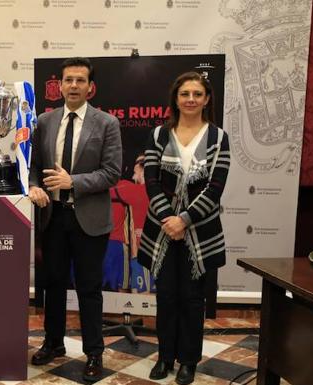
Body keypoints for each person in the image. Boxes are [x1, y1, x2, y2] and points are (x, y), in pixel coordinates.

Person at [28, 57, 122, 382]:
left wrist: (74, 183)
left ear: (90, 86)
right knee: (52, 285)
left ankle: (93, 352)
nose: (73, 86)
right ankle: (53, 343)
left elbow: (111, 173)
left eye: (80, 80)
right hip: (52, 217)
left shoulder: (106, 124)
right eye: (68, 80)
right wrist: (33, 187)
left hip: (89, 220)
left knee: (89, 288)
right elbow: (34, 166)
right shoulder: (44, 121)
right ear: (59, 85)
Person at [137, 71, 230, 385]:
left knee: (193, 299)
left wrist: (184, 220)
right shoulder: (158, 136)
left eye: (197, 94)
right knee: (165, 296)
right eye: (185, 94)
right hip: (163, 231)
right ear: (175, 99)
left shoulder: (218, 137)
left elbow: (215, 188)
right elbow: (151, 182)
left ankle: (188, 360)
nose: (191, 99)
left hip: (199, 233)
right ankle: (165, 356)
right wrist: (169, 220)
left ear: (206, 100)